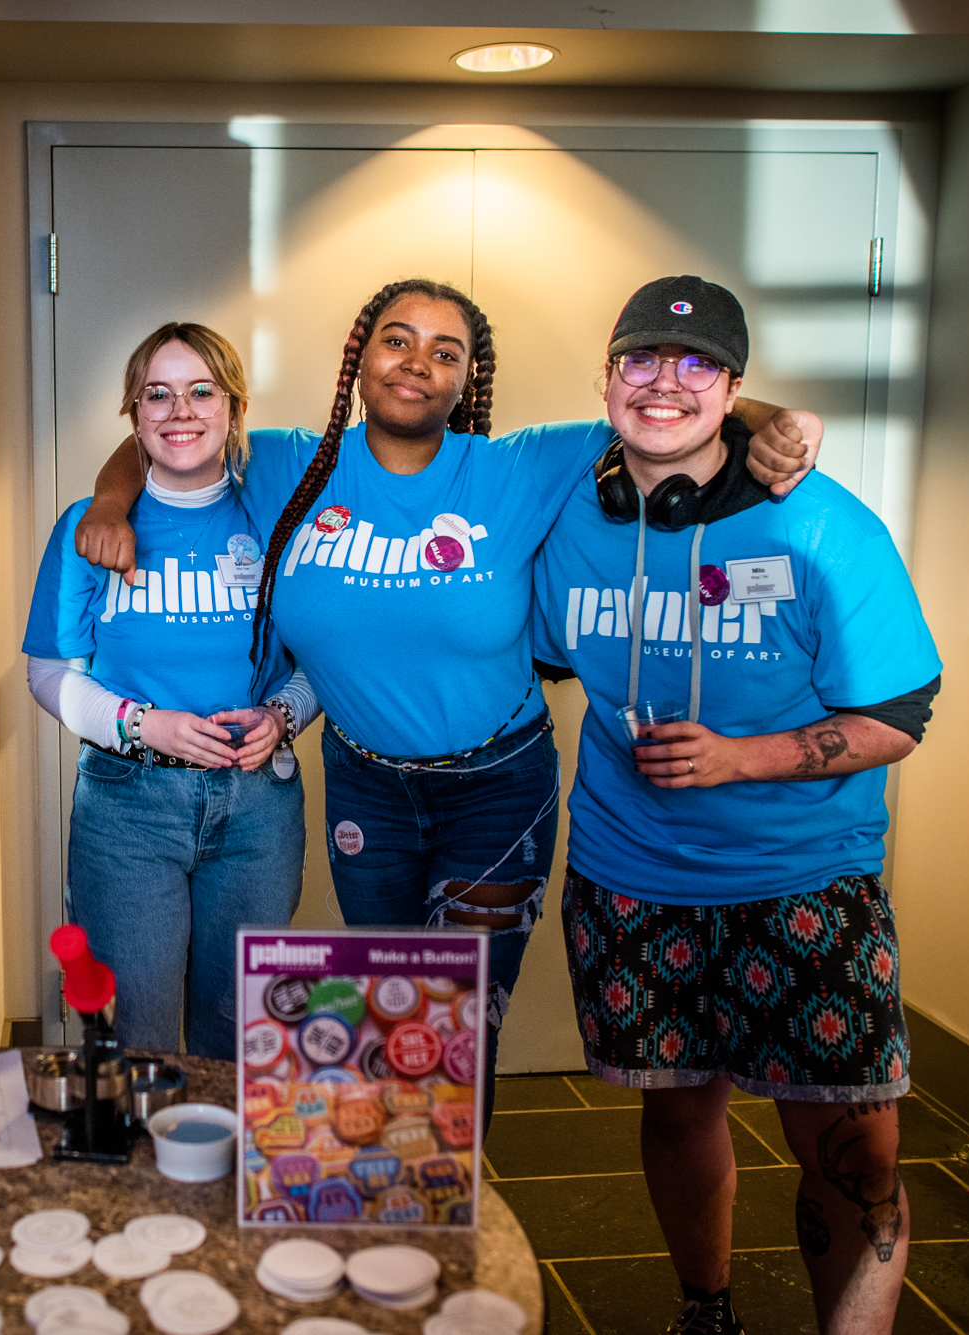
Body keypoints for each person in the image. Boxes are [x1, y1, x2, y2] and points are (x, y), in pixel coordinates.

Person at [75, 278, 825, 1108]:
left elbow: (663, 408)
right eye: (397, 340)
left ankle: (447, 1227)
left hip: (495, 792)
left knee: (456, 1025)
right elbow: (168, 431)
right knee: (388, 1015)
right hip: (367, 786)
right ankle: (395, 1203)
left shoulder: (520, 465)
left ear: (467, 378)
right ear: (359, 359)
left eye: (445, 351)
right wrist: (112, 499)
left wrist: (779, 421)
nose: (417, 363)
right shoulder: (292, 462)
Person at [532, 275, 942, 1335]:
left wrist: (740, 759)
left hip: (803, 879)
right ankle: (702, 1309)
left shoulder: (821, 526)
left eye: (696, 366)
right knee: (677, 1107)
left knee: (849, 1149)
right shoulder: (567, 506)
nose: (662, 384)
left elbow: (901, 712)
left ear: (732, 388)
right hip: (630, 877)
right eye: (639, 360)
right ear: (606, 375)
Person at [23, 322, 318, 1061]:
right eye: (157, 393)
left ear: (234, 405)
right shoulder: (88, 530)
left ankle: (222, 1178)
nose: (179, 411)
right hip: (127, 809)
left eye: (200, 391)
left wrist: (284, 715)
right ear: (133, 412)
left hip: (258, 809)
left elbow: (325, 659)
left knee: (243, 1035)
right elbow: (48, 671)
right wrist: (137, 724)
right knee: (134, 1037)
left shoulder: (281, 518)